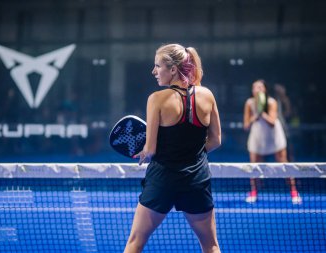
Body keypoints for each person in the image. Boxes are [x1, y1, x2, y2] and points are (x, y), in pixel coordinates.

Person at [124, 44, 222, 253]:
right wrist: (190, 153)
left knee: (135, 242)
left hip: (163, 180)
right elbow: (215, 141)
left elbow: (150, 149)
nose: (154, 71)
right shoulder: (207, 96)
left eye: (157, 66)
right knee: (211, 245)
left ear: (173, 70)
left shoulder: (156, 99)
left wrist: (142, 153)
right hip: (196, 179)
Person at [243, 80, 301, 204]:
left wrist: (262, 113)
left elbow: (272, 122)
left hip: (274, 136)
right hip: (257, 136)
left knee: (284, 165)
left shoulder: (271, 102)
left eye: (260, 87)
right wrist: (255, 116)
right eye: (254, 87)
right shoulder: (249, 103)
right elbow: (246, 125)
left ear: (265, 90)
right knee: (254, 166)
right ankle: (254, 192)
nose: (257, 89)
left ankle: (294, 192)